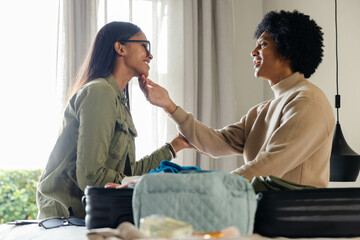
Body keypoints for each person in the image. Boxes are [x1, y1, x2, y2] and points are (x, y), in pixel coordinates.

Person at [138, 10, 335, 188]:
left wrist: (207, 187)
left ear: (288, 51)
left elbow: (269, 165)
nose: (253, 52)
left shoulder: (308, 101)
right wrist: (169, 106)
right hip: (263, 211)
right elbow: (217, 143)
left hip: (293, 218)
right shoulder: (262, 110)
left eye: (263, 44)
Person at [36, 21, 188, 219]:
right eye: (145, 45)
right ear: (120, 47)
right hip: (67, 219)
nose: (150, 55)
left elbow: (128, 172)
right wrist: (144, 184)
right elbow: (92, 177)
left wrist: (175, 145)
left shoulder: (116, 100)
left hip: (88, 215)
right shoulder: (99, 92)